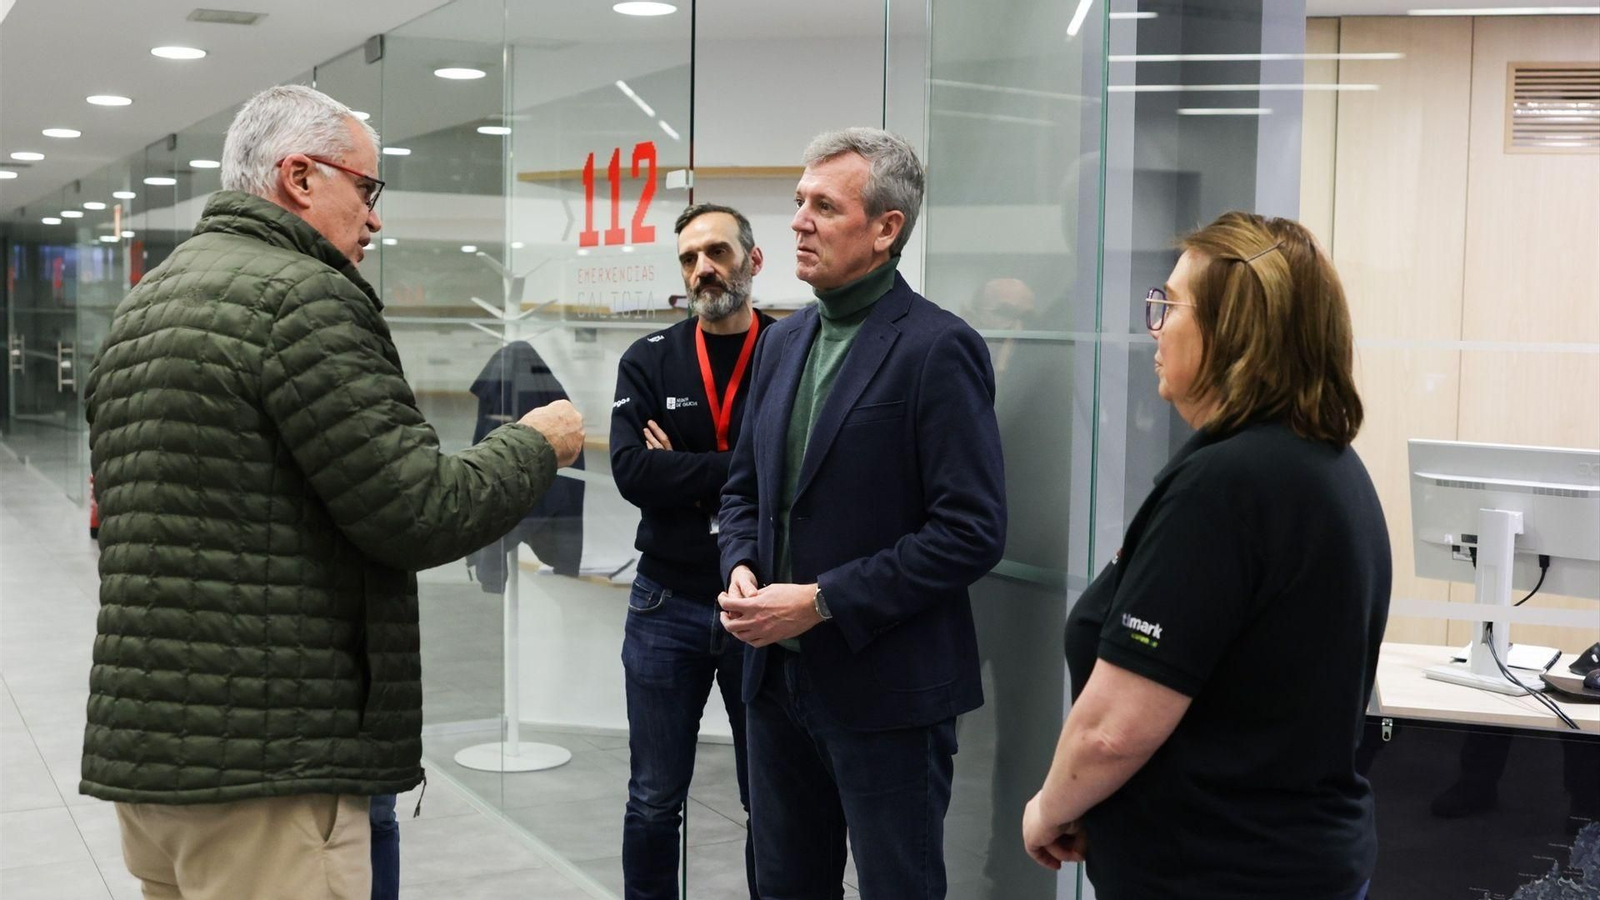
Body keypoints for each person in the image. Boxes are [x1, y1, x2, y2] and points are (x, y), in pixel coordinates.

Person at [80, 84, 585, 900]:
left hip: (154, 755)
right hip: (270, 770)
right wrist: (535, 443)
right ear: (301, 177)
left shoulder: (146, 305)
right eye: (368, 187)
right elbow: (420, 510)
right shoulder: (302, 299)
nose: (376, 219)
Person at [1022, 211, 1389, 900]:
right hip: (1295, 857)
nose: (1153, 326)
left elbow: (1113, 730)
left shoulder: (1230, 486)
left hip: (1218, 870)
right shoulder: (1322, 463)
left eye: (1169, 305)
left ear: (1234, 330)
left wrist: (1050, 807)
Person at [716, 128, 1007, 899]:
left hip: (888, 693)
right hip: (774, 688)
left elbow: (970, 532)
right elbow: (745, 488)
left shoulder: (939, 349)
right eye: (799, 203)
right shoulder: (782, 342)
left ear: (887, 229)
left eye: (824, 206)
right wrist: (741, 565)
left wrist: (819, 602)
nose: (799, 223)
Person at [609, 203, 774, 899]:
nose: (703, 268)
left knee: (768, 796)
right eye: (688, 257)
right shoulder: (648, 358)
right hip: (665, 600)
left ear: (753, 260)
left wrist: (691, 467)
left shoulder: (794, 350)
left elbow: (806, 472)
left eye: (717, 252)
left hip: (761, 605)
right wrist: (744, 465)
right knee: (653, 797)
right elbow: (632, 472)